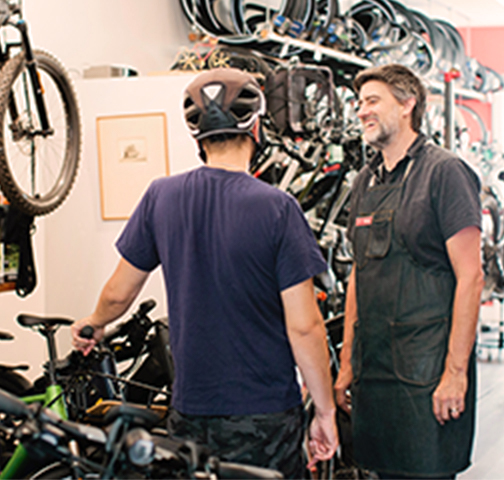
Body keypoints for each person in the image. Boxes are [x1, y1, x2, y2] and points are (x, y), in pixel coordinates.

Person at [71, 68, 338, 478]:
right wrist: (324, 411)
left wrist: (94, 322)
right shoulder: (278, 208)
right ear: (257, 128)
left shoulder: (161, 197)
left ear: (198, 137)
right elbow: (304, 327)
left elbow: (118, 295)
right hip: (263, 413)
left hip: (189, 410)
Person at [334, 64, 483, 479]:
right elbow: (357, 277)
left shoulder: (445, 173)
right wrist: (347, 363)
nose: (361, 111)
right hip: (374, 373)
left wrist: (455, 374)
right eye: (359, 103)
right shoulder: (364, 182)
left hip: (427, 377)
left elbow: (471, 277)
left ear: (407, 104)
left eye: (372, 101)